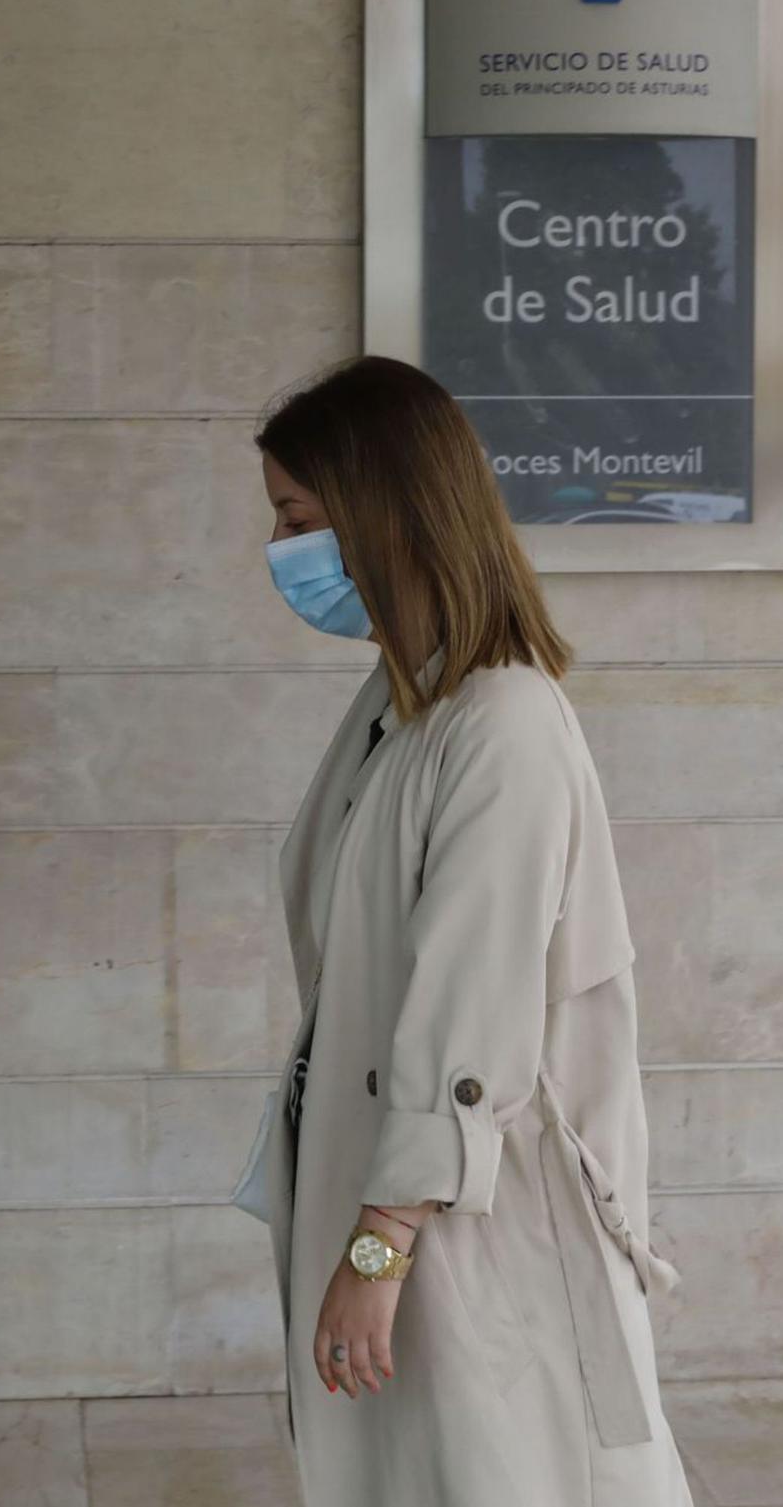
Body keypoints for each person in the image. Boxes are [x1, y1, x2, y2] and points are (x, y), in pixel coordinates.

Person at [252, 353, 694, 1506]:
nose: (283, 551)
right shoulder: (407, 701)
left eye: (299, 518)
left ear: (379, 510)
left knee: (510, 1471)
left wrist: (377, 1246)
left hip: (468, 1221)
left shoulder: (501, 721)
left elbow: (470, 1013)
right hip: (402, 1199)